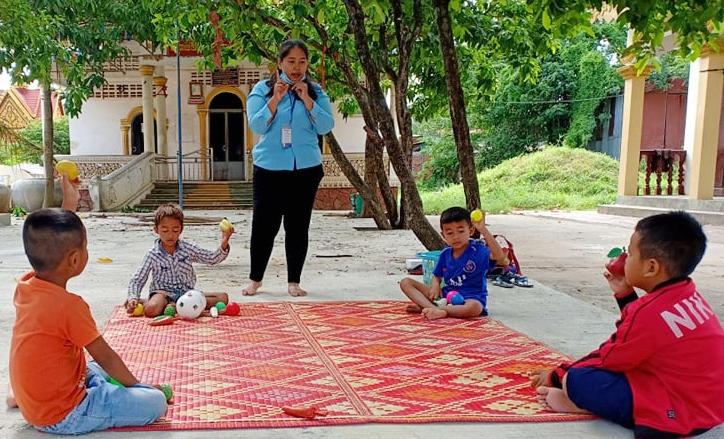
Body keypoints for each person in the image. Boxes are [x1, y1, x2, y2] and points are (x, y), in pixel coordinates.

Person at [531, 211, 724, 438]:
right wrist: (625, 295)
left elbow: (609, 358)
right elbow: (645, 336)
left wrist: (558, 375)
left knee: (579, 379)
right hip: (710, 407)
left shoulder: (649, 312)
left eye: (630, 254)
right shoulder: (688, 294)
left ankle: (581, 404)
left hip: (677, 414)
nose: (625, 258)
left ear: (651, 268)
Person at [9, 208, 167, 434]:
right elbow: (107, 357)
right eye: (85, 247)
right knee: (155, 401)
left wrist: (68, 197)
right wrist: (138, 386)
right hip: (66, 414)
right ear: (74, 259)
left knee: (91, 367)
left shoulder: (26, 285)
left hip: (32, 406)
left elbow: (55, 235)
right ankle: (107, 394)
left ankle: (26, 395)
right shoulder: (70, 306)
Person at [244, 39, 334, 297]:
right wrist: (275, 99)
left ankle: (294, 281)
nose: (296, 67)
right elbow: (257, 125)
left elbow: (326, 126)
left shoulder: (315, 91)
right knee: (264, 226)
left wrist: (307, 99)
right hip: (269, 169)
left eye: (302, 61)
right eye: (291, 61)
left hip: (306, 169)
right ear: (280, 63)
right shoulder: (262, 89)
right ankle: (255, 279)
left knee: (297, 226)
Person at [126, 204, 233, 317]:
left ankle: (174, 306)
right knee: (151, 310)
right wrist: (133, 297)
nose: (170, 235)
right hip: (163, 294)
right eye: (165, 230)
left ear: (181, 230)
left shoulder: (188, 248)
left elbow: (212, 258)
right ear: (156, 230)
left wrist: (224, 242)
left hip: (187, 294)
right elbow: (138, 279)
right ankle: (155, 302)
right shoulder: (152, 254)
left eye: (175, 230)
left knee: (223, 298)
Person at [399, 206, 506, 320]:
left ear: (471, 230)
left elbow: (499, 256)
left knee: (475, 308)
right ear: (443, 234)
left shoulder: (478, 250)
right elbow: (436, 276)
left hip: (470, 298)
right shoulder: (445, 254)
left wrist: (483, 229)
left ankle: (432, 308)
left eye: (461, 231)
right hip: (446, 296)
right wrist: (435, 286)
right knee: (406, 282)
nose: (456, 237)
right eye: (450, 233)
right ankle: (434, 308)